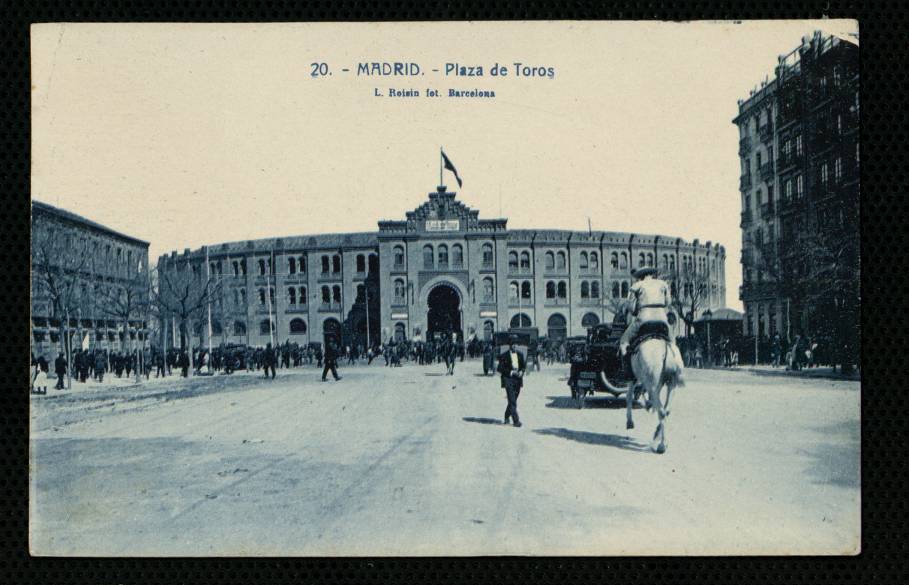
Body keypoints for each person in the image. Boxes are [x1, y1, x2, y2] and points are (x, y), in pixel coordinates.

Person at [619, 267, 674, 359]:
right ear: (651, 274)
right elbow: (668, 302)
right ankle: (675, 358)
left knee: (624, 340)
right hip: (662, 318)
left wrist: (635, 311)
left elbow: (631, 307)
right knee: (672, 341)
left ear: (641, 276)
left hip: (644, 318)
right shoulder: (663, 284)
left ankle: (625, 361)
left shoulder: (637, 285)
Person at [497, 337, 526, 427]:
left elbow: (523, 366)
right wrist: (511, 372)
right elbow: (499, 368)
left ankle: (506, 416)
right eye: (512, 344)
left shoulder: (520, 355)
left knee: (513, 400)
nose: (514, 346)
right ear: (509, 345)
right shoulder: (504, 355)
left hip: (517, 379)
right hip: (508, 378)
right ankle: (516, 421)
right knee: (512, 400)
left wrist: (521, 371)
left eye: (515, 344)